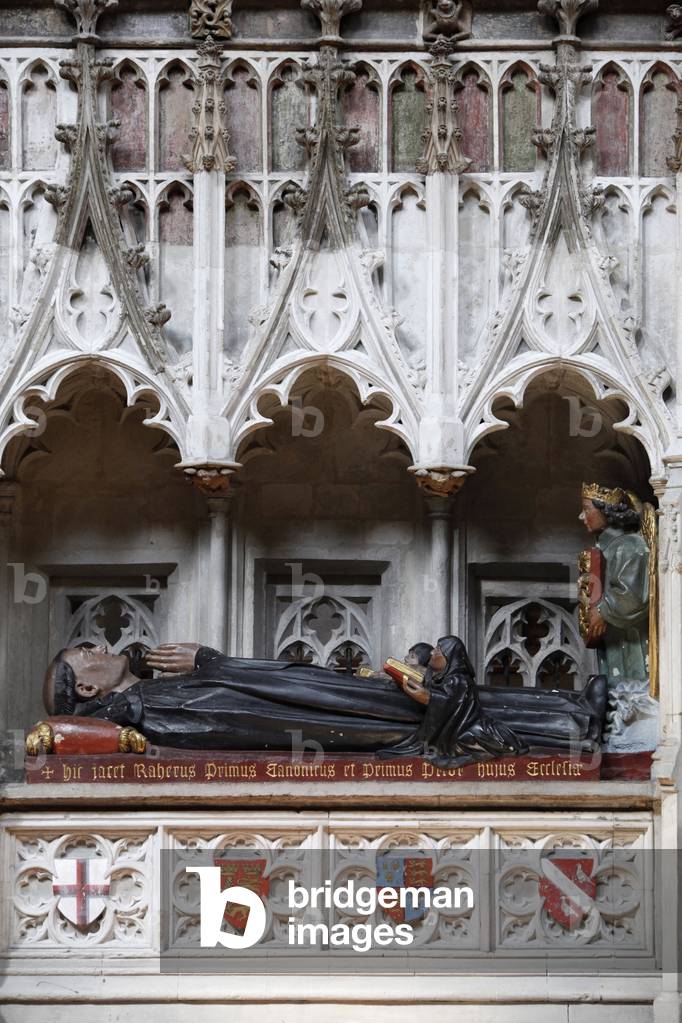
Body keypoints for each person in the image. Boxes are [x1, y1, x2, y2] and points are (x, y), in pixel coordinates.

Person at [31, 636, 606, 765]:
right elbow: (238, 718)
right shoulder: (143, 711)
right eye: (87, 652)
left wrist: (215, 661)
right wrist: (219, 667)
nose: (99, 644)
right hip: (324, 719)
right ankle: (572, 726)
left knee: (439, 702)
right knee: (438, 714)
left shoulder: (151, 694)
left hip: (322, 701)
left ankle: (575, 710)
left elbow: (256, 681)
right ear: (87, 689)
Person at [579, 483, 650, 682]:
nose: (582, 516)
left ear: (607, 512)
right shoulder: (608, 546)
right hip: (614, 638)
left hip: (631, 639)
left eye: (586, 510)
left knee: (630, 690)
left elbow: (633, 596)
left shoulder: (630, 545)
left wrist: (602, 610)